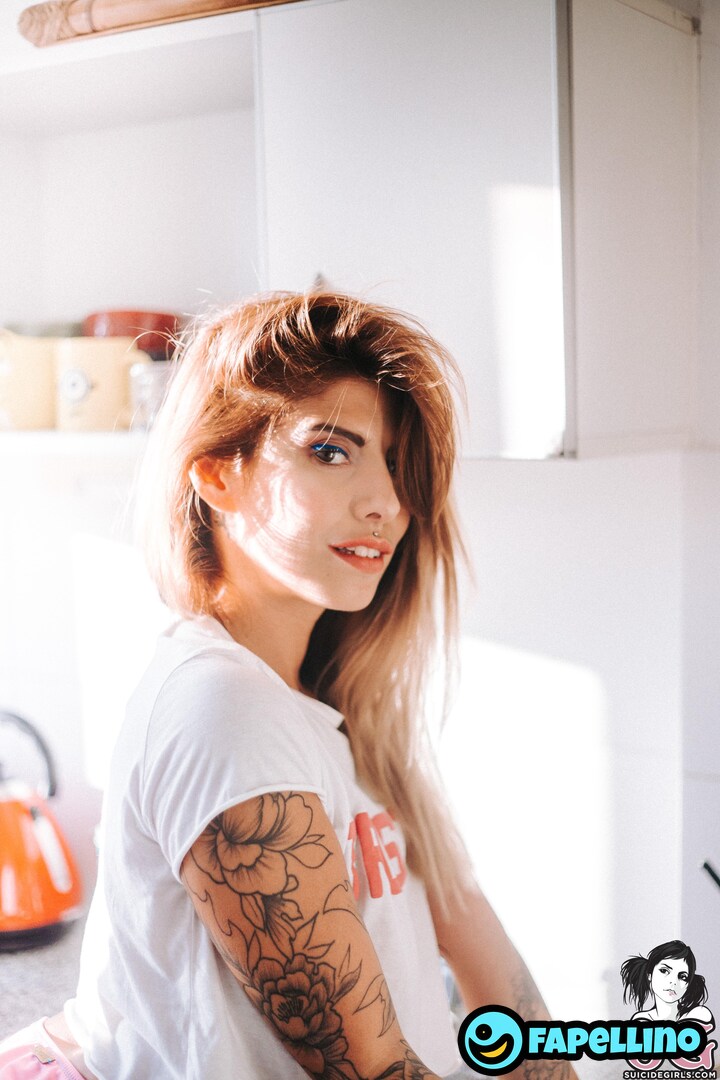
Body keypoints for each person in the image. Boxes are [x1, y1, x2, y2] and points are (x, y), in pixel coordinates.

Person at [0, 293, 572, 1079]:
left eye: (392, 462)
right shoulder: (223, 709)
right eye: (331, 451)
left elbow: (494, 971)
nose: (387, 502)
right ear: (216, 474)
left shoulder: (341, 710)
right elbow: (370, 1070)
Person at [621, 940, 716, 1071]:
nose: (673, 982)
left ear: (688, 985)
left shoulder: (699, 1014)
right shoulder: (641, 1019)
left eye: (683, 977)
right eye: (664, 970)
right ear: (649, 975)